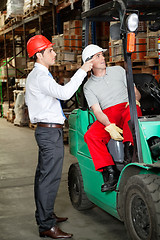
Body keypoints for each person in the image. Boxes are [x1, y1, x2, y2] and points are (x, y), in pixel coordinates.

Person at [25, 35, 93, 239]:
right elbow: (64, 94)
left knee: (43, 177)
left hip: (46, 131)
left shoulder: (38, 75)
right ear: (39, 54)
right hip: (49, 132)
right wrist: (82, 71)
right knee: (49, 178)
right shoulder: (41, 77)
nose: (54, 53)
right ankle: (46, 225)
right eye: (50, 51)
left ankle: (45, 215)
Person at [82, 44, 142, 193]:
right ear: (89, 63)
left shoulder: (119, 71)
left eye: (102, 55)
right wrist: (108, 125)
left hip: (127, 105)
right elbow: (97, 111)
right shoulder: (88, 87)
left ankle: (130, 154)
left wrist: (135, 100)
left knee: (133, 113)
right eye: (98, 56)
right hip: (108, 115)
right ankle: (110, 172)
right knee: (91, 136)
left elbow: (135, 92)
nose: (103, 58)